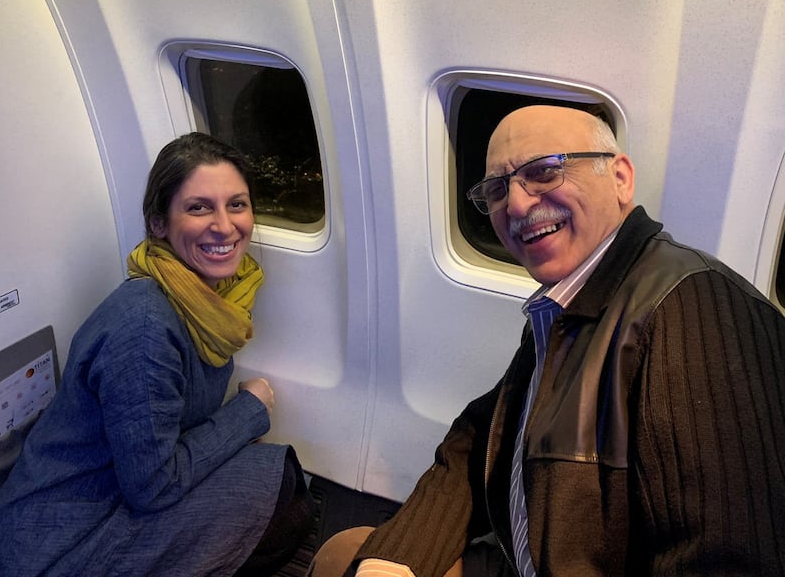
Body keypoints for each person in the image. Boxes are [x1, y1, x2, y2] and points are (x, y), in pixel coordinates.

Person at [309, 105, 785, 576]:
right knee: (345, 554)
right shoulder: (567, 306)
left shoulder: (693, 308)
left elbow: (728, 558)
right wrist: (393, 562)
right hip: (527, 558)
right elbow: (479, 441)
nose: (516, 204)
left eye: (543, 171)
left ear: (620, 178)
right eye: (498, 188)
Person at [0, 132, 315, 576]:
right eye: (199, 207)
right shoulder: (144, 327)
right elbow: (154, 487)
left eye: (237, 204)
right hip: (52, 547)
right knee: (279, 494)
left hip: (113, 496)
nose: (224, 225)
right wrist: (249, 411)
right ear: (159, 223)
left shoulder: (211, 302)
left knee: (278, 482)